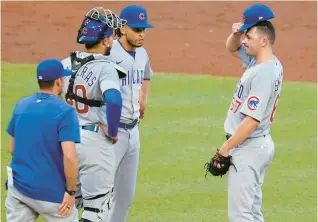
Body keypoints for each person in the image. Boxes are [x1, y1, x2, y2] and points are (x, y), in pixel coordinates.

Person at [61, 7, 126, 222]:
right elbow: (114, 99)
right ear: (106, 41)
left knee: (65, 207)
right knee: (96, 210)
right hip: (94, 145)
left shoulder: (64, 64)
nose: (116, 40)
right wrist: (114, 132)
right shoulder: (106, 68)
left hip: (65, 144)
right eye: (114, 36)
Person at [220, 4, 283, 222]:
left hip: (249, 147)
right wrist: (237, 34)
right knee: (253, 213)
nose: (243, 41)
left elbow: (252, 120)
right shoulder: (265, 62)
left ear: (263, 41)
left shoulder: (263, 73)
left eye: (249, 36)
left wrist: (225, 148)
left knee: (241, 216)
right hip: (257, 145)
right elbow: (231, 47)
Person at [5, 59, 80, 222]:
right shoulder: (65, 112)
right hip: (53, 196)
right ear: (58, 81)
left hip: (19, 190)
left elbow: (12, 148)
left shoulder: (21, 105)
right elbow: (69, 157)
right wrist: (71, 192)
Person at [100, 5, 154, 222]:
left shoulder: (142, 53)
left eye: (144, 29)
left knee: (125, 197)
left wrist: (144, 97)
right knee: (101, 194)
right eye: (136, 29)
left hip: (133, 133)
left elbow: (147, 74)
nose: (141, 34)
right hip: (112, 134)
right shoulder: (109, 53)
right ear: (122, 28)